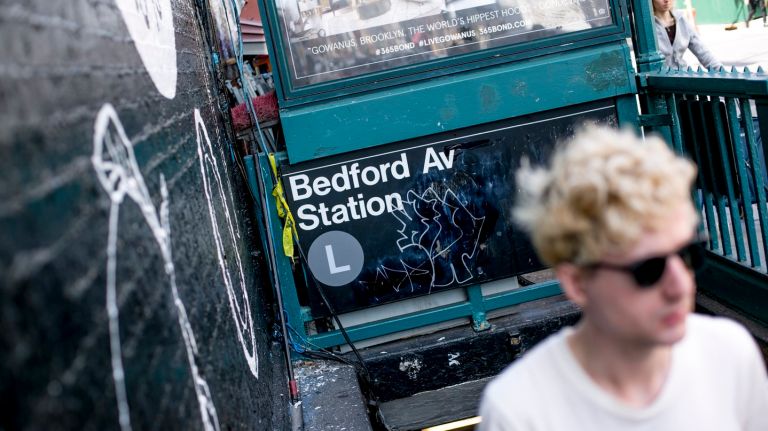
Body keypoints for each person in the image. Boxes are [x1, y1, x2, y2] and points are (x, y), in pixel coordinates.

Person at [478, 126, 768, 430]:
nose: (680, 286)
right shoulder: (519, 412)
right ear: (578, 283)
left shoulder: (729, 353)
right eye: (648, 270)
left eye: (686, 255)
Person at [651, 0, 722, 69]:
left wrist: (721, 71)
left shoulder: (681, 19)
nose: (666, 0)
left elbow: (702, 51)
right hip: (659, 78)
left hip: (682, 75)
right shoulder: (648, 26)